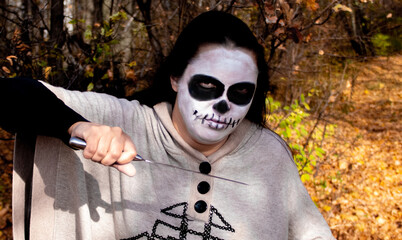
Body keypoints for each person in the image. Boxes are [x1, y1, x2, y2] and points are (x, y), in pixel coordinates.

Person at [0, 11, 335, 240]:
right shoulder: (122, 121)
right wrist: (75, 125)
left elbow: (312, 231)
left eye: (241, 92)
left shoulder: (267, 152)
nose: (223, 105)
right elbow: (9, 96)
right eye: (207, 86)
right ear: (176, 78)